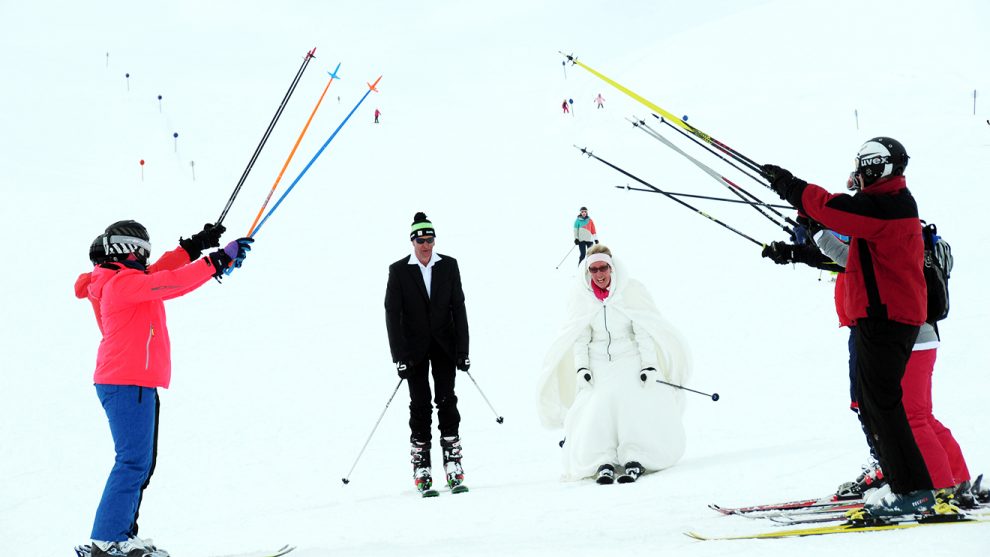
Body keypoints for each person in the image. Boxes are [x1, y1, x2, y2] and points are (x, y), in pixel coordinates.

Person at [763, 137, 961, 518]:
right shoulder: (887, 207)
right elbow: (847, 251)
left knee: (885, 408)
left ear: (877, 168)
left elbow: (834, 208)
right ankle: (907, 485)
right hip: (883, 318)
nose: (860, 174)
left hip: (886, 319)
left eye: (864, 167)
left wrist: (791, 187)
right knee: (877, 407)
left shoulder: (888, 205)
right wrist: (804, 239)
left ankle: (914, 491)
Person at [763, 228, 987, 508]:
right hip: (917, 335)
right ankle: (955, 480)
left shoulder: (881, 240)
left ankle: (940, 487)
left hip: (905, 336)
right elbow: (842, 256)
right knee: (920, 416)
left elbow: (844, 257)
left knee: (912, 417)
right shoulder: (892, 237)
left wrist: (815, 234)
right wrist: (805, 241)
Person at [74, 220, 253, 557]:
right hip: (127, 381)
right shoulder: (122, 284)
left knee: (139, 463)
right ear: (129, 249)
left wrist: (195, 246)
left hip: (129, 381)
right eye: (142, 248)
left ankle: (120, 535)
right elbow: (170, 283)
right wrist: (215, 262)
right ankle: (108, 538)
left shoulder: (117, 280)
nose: (145, 255)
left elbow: (161, 273)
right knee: (132, 463)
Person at [538, 244, 691, 484]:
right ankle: (602, 461)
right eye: (594, 270)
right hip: (598, 361)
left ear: (612, 268)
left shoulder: (631, 291)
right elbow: (579, 337)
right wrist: (582, 369)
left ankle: (636, 457)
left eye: (603, 268)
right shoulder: (580, 297)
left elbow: (643, 330)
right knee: (597, 406)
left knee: (632, 401)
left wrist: (648, 365)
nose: (599, 274)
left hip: (629, 356)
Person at [384, 212, 471, 495]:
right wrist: (399, 355)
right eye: (420, 240)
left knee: (447, 401)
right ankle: (422, 466)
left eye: (429, 239)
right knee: (420, 404)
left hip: (445, 346)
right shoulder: (399, 270)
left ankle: (453, 463)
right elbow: (392, 313)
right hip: (414, 350)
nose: (425, 244)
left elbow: (458, 307)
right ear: (412, 241)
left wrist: (463, 349)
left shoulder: (448, 266)